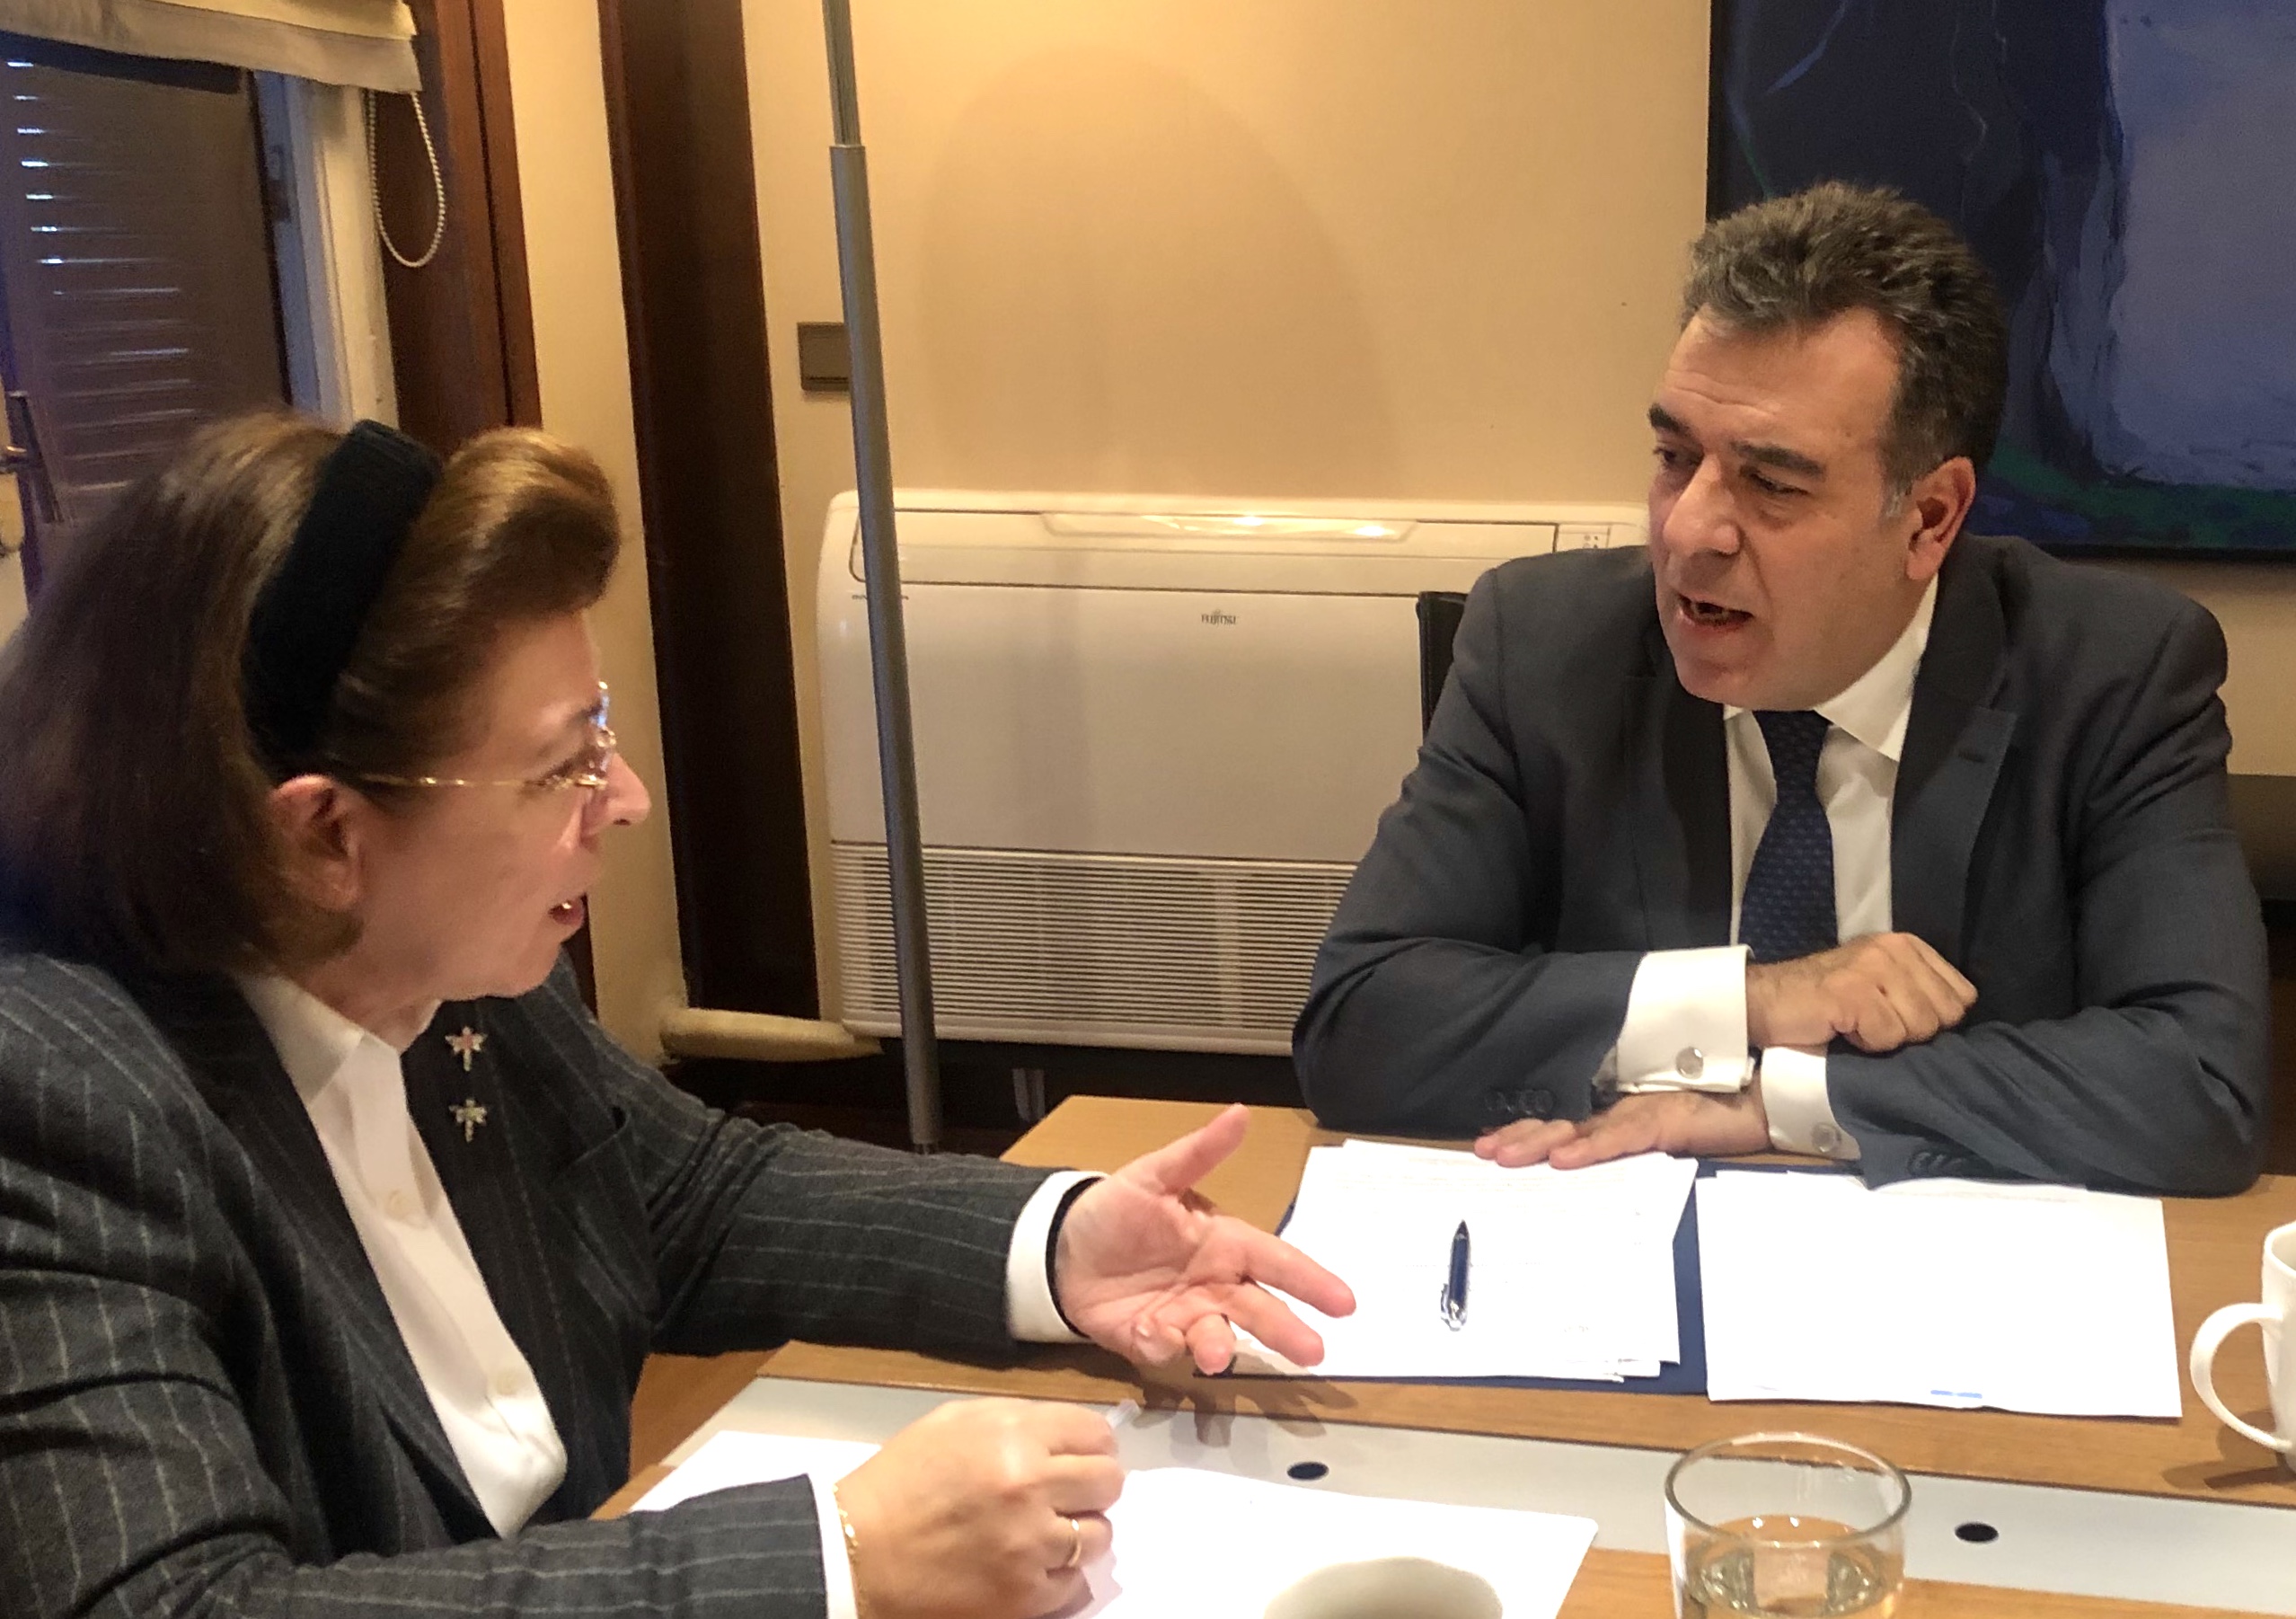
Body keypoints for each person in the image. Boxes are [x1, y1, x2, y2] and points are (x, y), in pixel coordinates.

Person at [0, 414, 1355, 1619]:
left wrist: (1055, 1245)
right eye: (562, 765)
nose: (629, 798)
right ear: (323, 839)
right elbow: (179, 1601)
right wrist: (833, 1562)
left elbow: (695, 1197)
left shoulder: (446, 972)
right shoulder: (53, 1100)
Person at [1294, 181, 2269, 1195]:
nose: (1687, 531)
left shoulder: (2112, 674)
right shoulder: (1541, 646)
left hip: (1951, 1252)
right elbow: (1362, 1026)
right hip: (1620, 1244)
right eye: (1674, 456)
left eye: (1772, 484)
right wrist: (1752, 1002)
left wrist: (1782, 1102)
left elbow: (2201, 1086)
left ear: (1930, 519)